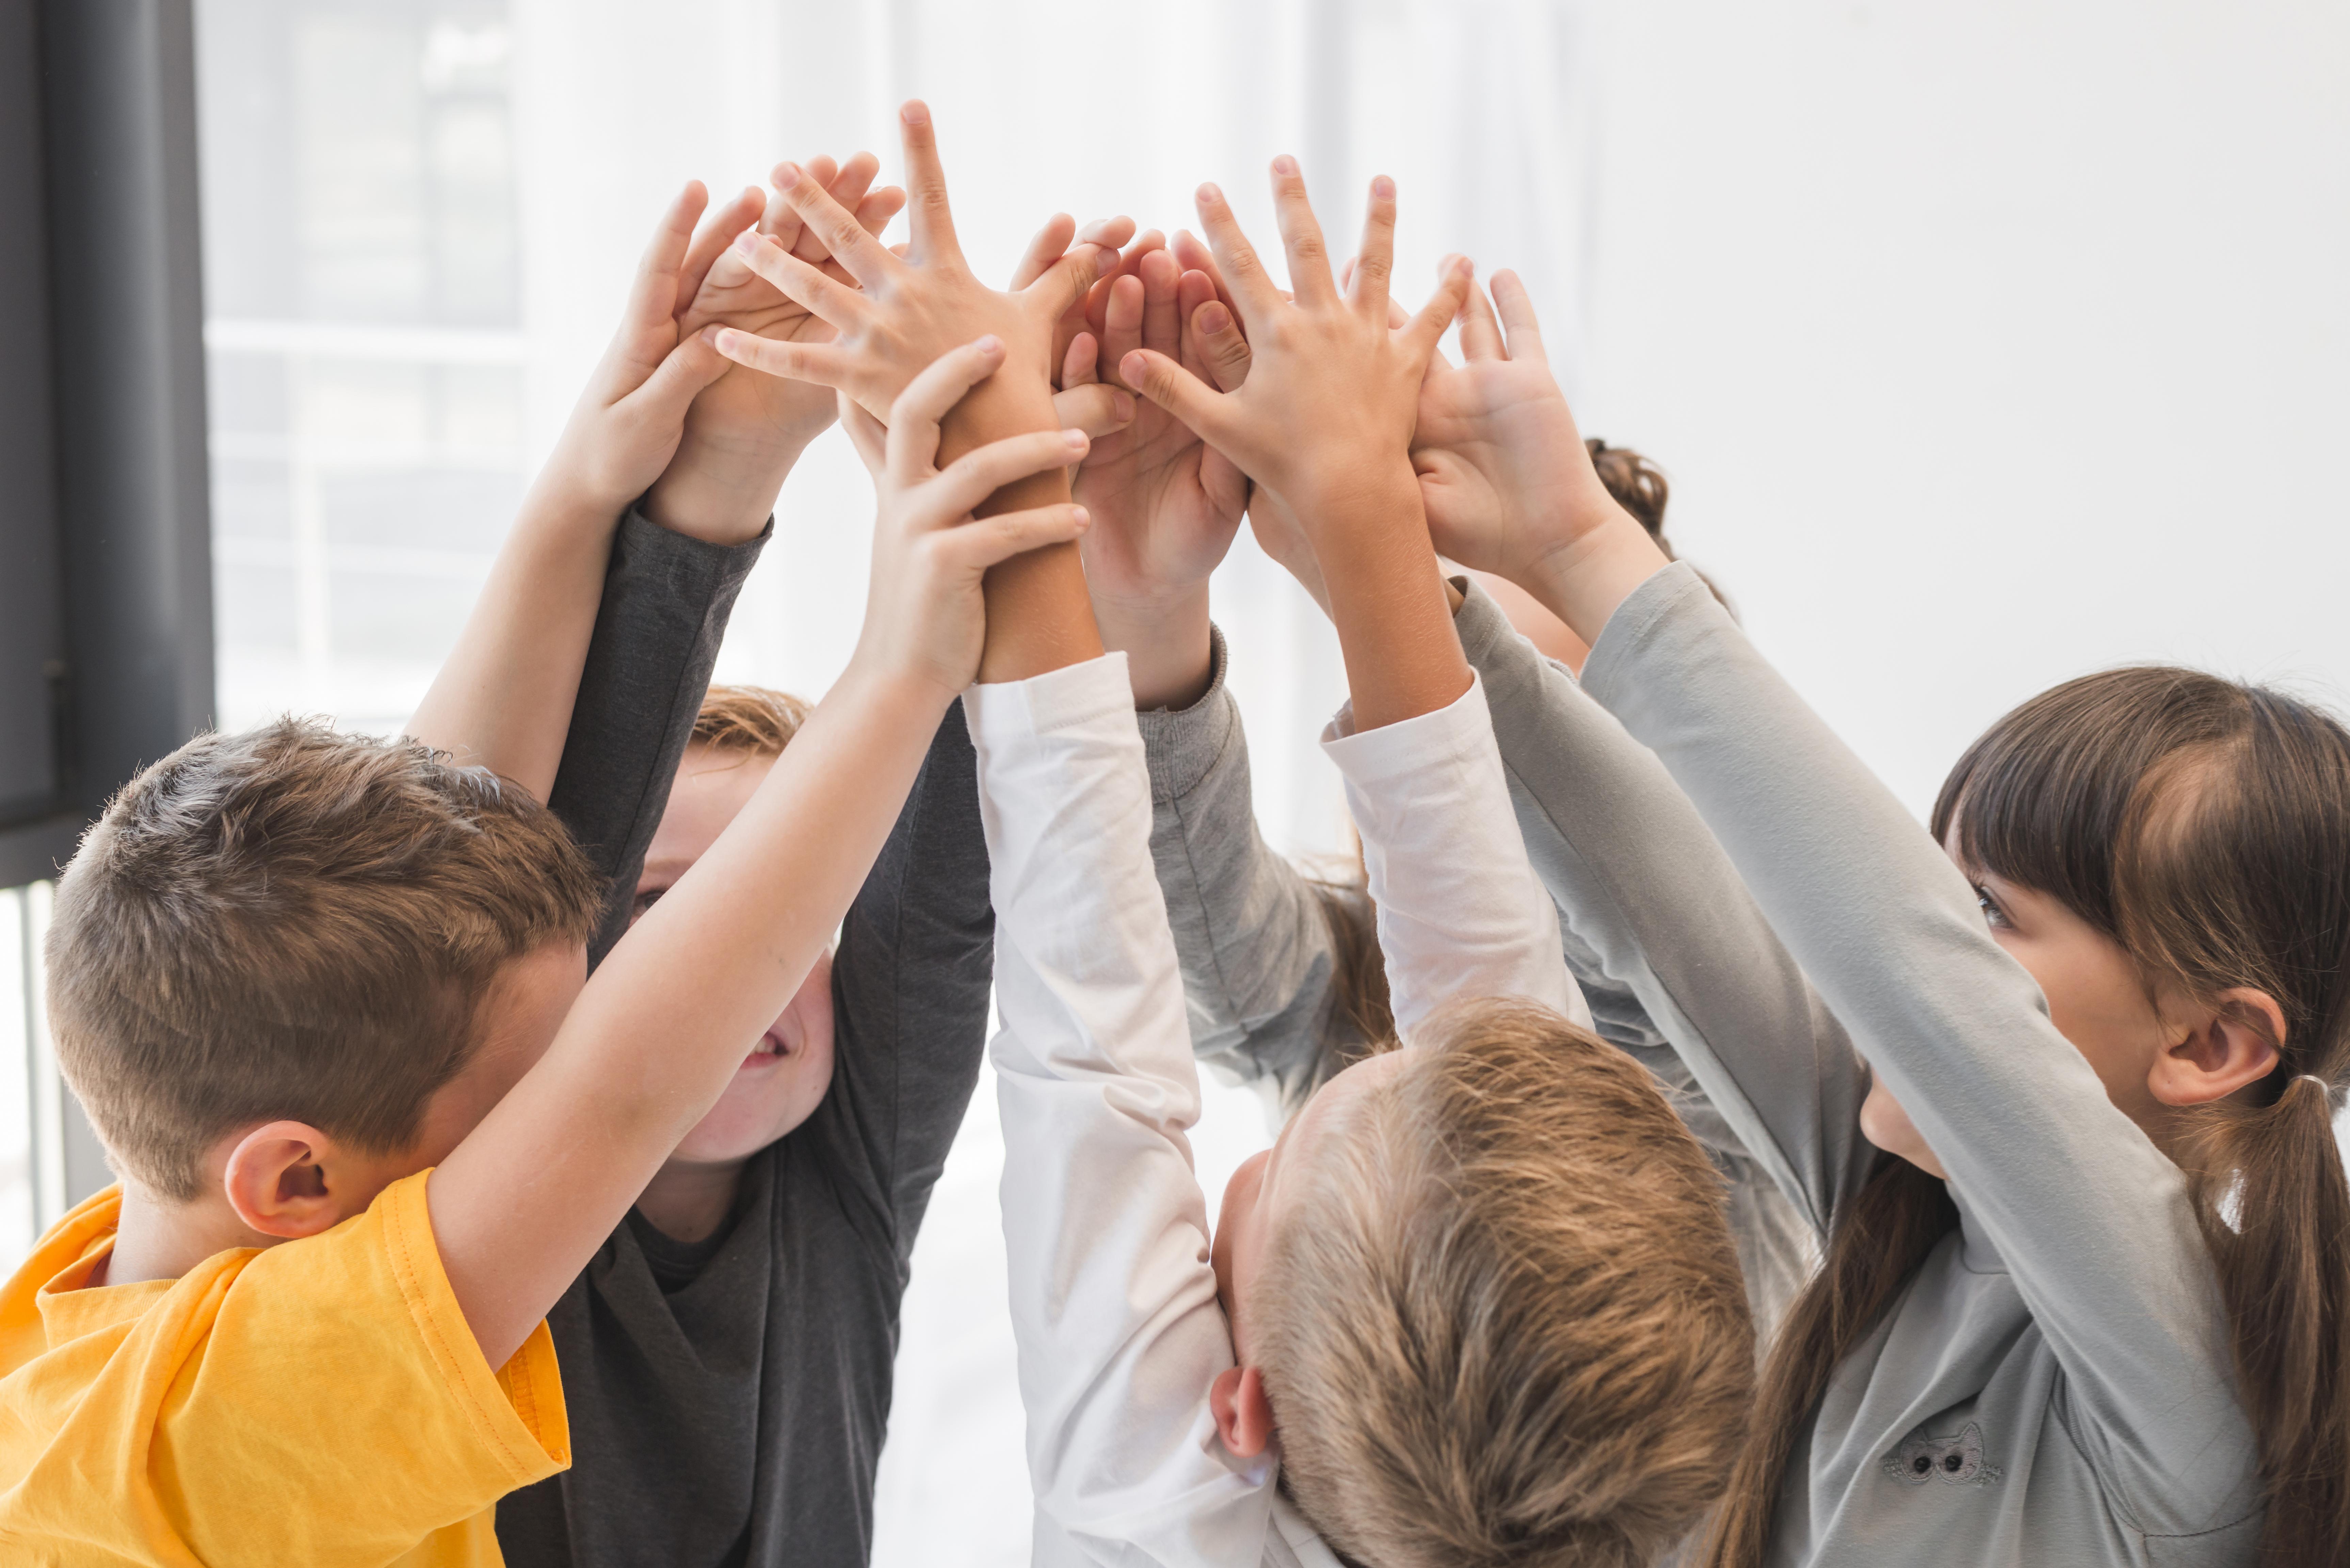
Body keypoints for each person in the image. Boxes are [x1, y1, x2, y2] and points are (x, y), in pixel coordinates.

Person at [2, 162, 1107, 1564]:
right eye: (519, 1087)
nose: (612, 1019)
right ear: (294, 1183)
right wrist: (900, 664)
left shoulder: (158, 1254)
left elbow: (469, 822)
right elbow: (618, 1094)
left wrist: (630, 483)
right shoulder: (210, 1438)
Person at [747, 145, 1753, 1566]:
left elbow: (1096, 1037)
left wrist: (1011, 467)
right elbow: (1468, 1007)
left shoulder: (1158, 1522)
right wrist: (1345, 520)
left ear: (1238, 1415)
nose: (1263, 1147)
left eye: (1278, 1163)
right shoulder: (1586, 1471)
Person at [1400, 272, 2327, 1564]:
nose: (1924, 948)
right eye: (1943, 899)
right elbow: (1662, 894)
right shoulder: (1895, 1226)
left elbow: (1911, 976)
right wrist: (1391, 567)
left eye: (1988, 916)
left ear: (2210, 1046)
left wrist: (1581, 542)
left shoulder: (2193, 1378)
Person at [494, 155, 1136, 1568]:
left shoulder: (848, 1180)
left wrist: (988, 475)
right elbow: (550, 859)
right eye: (670, 917)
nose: (745, 979)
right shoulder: (495, 1202)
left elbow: (943, 895)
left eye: (791, 929)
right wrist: (721, 473)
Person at [1052, 219, 1817, 1333]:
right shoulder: (1341, 1013)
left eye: (1546, 731)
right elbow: (1218, 938)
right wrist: (1153, 606)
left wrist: (1367, 545)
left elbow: (1549, 1020)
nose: (1478, 780)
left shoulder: (1747, 1053)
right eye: (1443, 698)